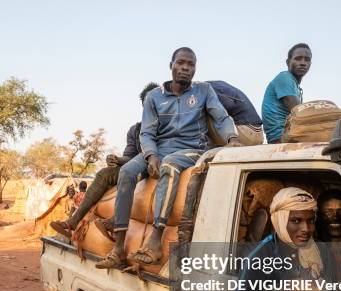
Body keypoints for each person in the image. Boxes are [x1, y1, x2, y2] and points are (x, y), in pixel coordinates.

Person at [97, 47, 240, 268]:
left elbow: (221, 117)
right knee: (126, 172)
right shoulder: (154, 97)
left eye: (190, 64)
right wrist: (151, 154)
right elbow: (147, 133)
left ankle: (155, 239)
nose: (185, 68)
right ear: (171, 65)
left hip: (192, 148)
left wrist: (232, 138)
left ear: (195, 69)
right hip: (159, 148)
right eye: (180, 63)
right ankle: (118, 248)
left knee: (170, 165)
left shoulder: (204, 91)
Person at [50, 82, 159, 238]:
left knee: (131, 175)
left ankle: (116, 222)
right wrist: (117, 159)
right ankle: (72, 222)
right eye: (147, 104)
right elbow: (129, 156)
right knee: (104, 174)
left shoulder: (169, 127)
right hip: (135, 166)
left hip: (153, 167)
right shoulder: (135, 130)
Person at [231, 187, 334, 291]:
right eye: (296, 221)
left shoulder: (320, 249)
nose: (306, 229)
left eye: (310, 221)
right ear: (279, 220)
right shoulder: (259, 258)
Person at [261, 43, 312, 143]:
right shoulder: (284, 77)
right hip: (281, 137)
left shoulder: (295, 86)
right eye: (298, 58)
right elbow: (300, 113)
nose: (303, 63)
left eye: (307, 59)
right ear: (288, 62)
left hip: (290, 134)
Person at [208, 81, 264, 145]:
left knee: (205, 111)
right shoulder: (217, 83)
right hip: (257, 133)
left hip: (245, 132)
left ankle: (201, 144)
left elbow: (228, 105)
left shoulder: (205, 88)